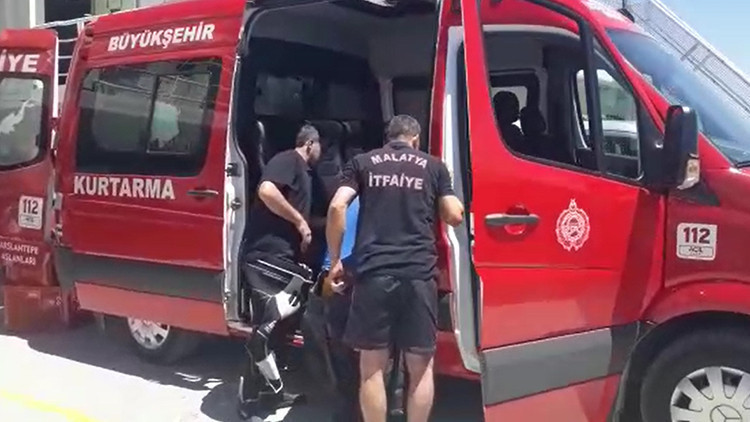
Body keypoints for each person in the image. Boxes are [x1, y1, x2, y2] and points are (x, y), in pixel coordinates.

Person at [326, 115, 464, 422]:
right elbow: (454, 215)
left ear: (388, 137)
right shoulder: (434, 166)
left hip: (374, 274)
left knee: (371, 367)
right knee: (421, 367)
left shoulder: (363, 162)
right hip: (418, 274)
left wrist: (336, 261)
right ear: (415, 139)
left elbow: (337, 206)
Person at [238, 123, 322, 419]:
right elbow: (267, 190)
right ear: (310, 143)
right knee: (265, 331)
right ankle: (249, 402)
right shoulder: (288, 160)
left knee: (281, 330)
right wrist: (300, 222)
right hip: (266, 257)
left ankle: (270, 393)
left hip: (284, 260)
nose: (322, 154)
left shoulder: (304, 173)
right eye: (320, 147)